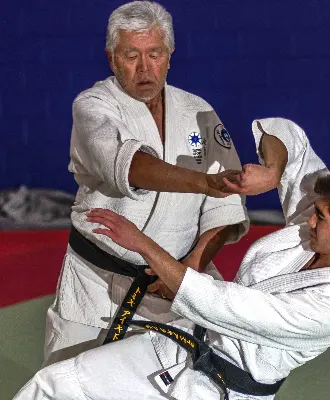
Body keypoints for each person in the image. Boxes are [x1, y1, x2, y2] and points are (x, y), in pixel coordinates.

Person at [14, 117, 330, 400]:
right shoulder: (317, 237)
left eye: (321, 216)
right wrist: (272, 172)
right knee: (54, 386)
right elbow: (290, 139)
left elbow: (225, 305)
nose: (309, 216)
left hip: (220, 389)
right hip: (180, 347)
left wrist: (144, 244)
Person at [43, 0, 248, 366]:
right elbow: (130, 166)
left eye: (154, 54)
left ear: (169, 54)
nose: (144, 68)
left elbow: (225, 207)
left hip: (175, 289)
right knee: (69, 384)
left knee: (173, 386)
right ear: (111, 58)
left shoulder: (198, 111)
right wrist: (202, 182)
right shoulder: (94, 106)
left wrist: (188, 272)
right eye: (131, 55)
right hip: (96, 286)